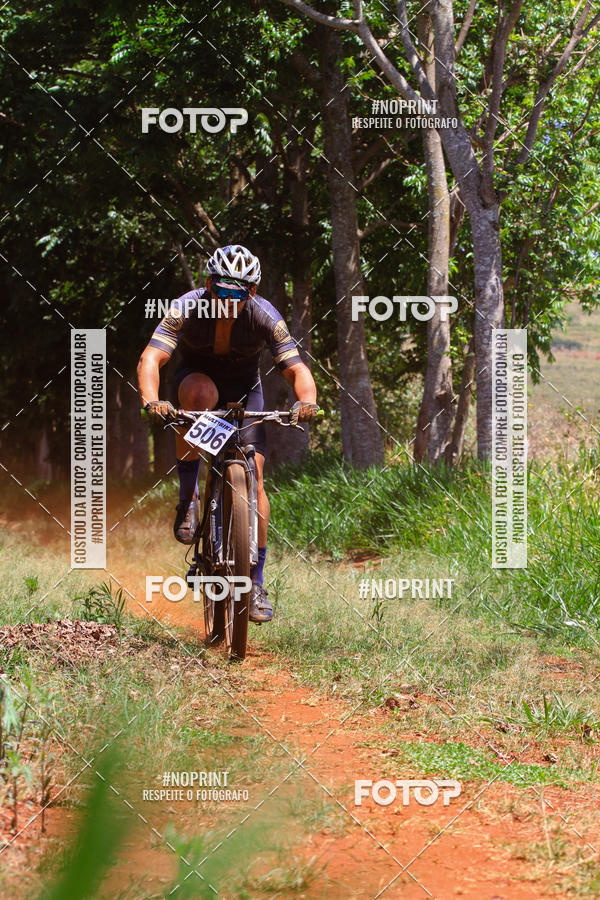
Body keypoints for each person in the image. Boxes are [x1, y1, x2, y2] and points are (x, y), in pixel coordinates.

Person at [137, 244, 318, 623]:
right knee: (199, 394)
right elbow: (151, 358)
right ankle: (188, 498)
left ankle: (255, 582)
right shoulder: (187, 307)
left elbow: (296, 368)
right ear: (208, 285)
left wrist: (307, 401)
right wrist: (152, 399)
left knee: (256, 479)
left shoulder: (265, 316)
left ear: (251, 292)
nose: (228, 301)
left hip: (243, 392)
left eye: (238, 294)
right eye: (221, 292)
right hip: (197, 386)